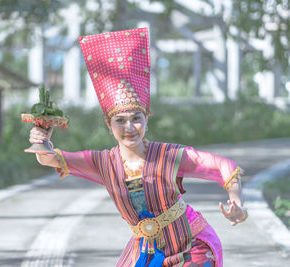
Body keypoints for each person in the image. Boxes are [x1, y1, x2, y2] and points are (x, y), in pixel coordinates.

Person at [28, 28, 247, 267]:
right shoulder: (103, 162)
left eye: (136, 118)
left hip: (190, 244)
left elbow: (223, 166)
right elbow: (50, 158)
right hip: (145, 251)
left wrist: (236, 202)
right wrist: (41, 139)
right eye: (120, 121)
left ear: (146, 120)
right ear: (108, 124)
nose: (130, 127)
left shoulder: (169, 156)